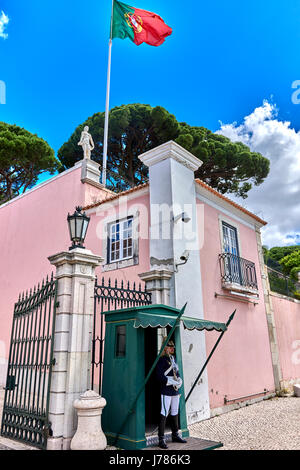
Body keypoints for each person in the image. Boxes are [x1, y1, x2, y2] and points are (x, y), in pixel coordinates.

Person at [156, 338, 187, 449]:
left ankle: (175, 434)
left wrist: (179, 381)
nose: (172, 348)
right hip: (166, 390)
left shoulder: (173, 358)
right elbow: (159, 376)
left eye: (172, 346)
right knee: (164, 412)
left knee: (174, 412)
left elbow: (176, 372)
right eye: (169, 346)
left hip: (174, 390)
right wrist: (171, 381)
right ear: (165, 348)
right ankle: (161, 439)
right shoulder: (162, 360)